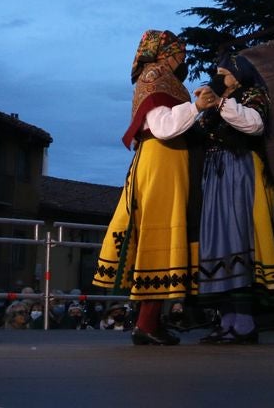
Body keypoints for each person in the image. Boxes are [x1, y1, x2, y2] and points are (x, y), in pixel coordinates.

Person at [92, 30, 197, 346]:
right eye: (180, 52)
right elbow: (164, 126)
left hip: (165, 160)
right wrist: (197, 108)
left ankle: (150, 321)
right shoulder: (156, 77)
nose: (184, 58)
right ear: (166, 54)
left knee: (162, 234)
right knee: (160, 233)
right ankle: (147, 323)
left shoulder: (163, 78)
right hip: (162, 160)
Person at [189, 52, 274, 344]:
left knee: (238, 237)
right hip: (215, 174)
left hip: (240, 170)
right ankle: (227, 320)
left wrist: (219, 102)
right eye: (216, 73)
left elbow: (254, 125)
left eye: (224, 72)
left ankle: (244, 323)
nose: (219, 78)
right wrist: (199, 107)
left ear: (238, 73)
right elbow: (200, 134)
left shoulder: (252, 94)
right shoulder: (217, 103)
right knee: (217, 241)